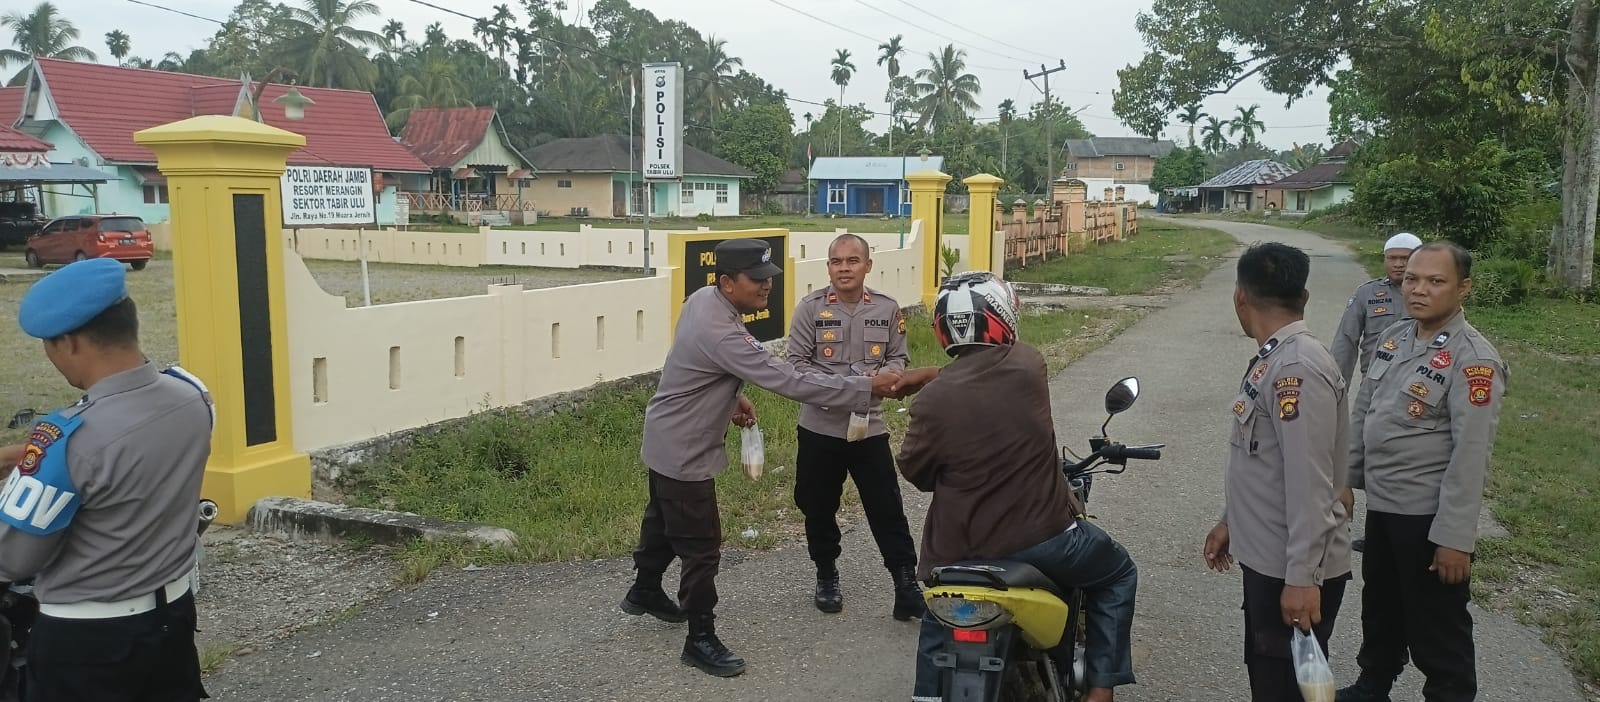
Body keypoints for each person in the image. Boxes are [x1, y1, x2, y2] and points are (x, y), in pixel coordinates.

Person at [623, 238, 911, 678]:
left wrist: (731, 395)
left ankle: (644, 589)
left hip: (666, 432)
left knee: (662, 518)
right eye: (757, 280)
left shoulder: (704, 301)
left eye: (769, 277)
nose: (767, 286)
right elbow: (790, 379)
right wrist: (865, 388)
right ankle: (700, 638)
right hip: (685, 447)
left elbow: (702, 363)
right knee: (701, 547)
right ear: (727, 282)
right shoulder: (722, 329)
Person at [894, 271, 1138, 702]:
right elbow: (986, 375)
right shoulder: (1030, 365)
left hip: (957, 553)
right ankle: (1101, 690)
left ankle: (927, 695)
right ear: (1002, 316)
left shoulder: (930, 401)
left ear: (942, 327)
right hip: (1043, 542)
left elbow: (916, 473)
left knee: (939, 620)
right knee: (1118, 573)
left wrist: (931, 379)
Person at [0, 257, 214, 702]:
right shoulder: (192, 396)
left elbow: (13, 559)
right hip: (172, 619)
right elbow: (127, 460)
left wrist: (30, 471)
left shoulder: (64, 439)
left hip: (88, 643)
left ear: (69, 342)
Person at [1337, 241, 1507, 702]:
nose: (1419, 289)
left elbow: (1471, 456)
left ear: (1463, 288)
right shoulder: (1396, 337)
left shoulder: (1474, 361)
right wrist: (1345, 482)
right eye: (1412, 279)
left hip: (1428, 519)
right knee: (1381, 607)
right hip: (1386, 508)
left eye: (1436, 281)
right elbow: (1366, 412)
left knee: (1437, 624)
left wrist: (1455, 538)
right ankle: (1375, 682)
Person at [1203, 242, 1354, 701]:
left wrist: (1302, 579)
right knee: (1271, 680)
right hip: (1274, 556)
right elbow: (1264, 460)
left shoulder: (1296, 368)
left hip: (1291, 567)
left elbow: (1311, 484)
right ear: (1303, 297)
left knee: (1283, 689)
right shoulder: (1275, 357)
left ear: (1239, 297)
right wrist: (1232, 520)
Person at [785, 234, 922, 620]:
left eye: (852, 261)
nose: (843, 268)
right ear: (828, 267)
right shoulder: (810, 309)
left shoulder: (887, 308)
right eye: (836, 262)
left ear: (867, 266)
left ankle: (905, 582)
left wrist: (890, 377)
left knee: (887, 507)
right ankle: (826, 573)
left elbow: (898, 357)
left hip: (870, 427)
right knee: (817, 506)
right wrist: (855, 386)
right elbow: (796, 367)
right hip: (820, 427)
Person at [1332, 232, 1420, 554]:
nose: (1398, 264)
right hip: (1376, 389)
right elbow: (1346, 341)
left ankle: (1414, 530)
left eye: (1405, 258)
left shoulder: (1427, 295)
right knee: (1368, 454)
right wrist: (1334, 387)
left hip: (1420, 392)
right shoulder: (1368, 295)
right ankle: (1376, 532)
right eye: (1392, 258)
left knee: (1409, 460)